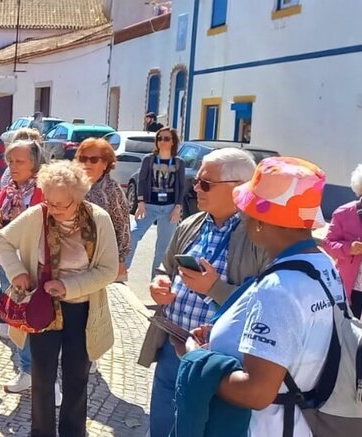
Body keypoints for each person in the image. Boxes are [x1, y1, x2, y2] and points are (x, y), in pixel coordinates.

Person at [180, 157, 342, 437]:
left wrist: (196, 359)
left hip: (263, 427)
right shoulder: (323, 265)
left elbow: (255, 392)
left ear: (259, 222)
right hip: (301, 422)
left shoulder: (279, 287)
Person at [139, 148, 265, 436]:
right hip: (173, 345)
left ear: (238, 187)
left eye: (206, 183)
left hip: (218, 360)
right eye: (196, 181)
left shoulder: (260, 236)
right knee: (161, 426)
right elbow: (165, 267)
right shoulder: (191, 224)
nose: (195, 188)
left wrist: (215, 289)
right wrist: (159, 284)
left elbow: (266, 304)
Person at [0, 160, 118, 437]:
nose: (53, 210)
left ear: (78, 198)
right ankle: (41, 432)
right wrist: (17, 273)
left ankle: (73, 432)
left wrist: (67, 286)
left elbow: (108, 270)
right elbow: (4, 240)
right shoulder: (37, 215)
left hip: (82, 309)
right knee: (42, 377)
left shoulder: (98, 219)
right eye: (49, 202)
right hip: (43, 308)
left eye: (61, 205)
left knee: (77, 377)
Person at [0, 139, 44, 395]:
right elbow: (0, 224)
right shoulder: (8, 191)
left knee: (40, 320)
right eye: (10, 161)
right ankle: (27, 370)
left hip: (37, 263)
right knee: (19, 319)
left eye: (19, 161)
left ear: (35, 163)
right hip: (10, 263)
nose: (13, 166)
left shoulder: (45, 190)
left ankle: (45, 376)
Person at [128, 126, 187, 272]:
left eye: (166, 139)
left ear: (173, 142)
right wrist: (141, 202)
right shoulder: (149, 159)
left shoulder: (178, 162)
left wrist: (177, 207)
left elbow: (181, 186)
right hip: (149, 206)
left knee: (163, 247)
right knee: (133, 235)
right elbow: (142, 181)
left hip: (169, 208)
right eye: (159, 138)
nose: (162, 141)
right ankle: (123, 268)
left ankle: (156, 279)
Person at [76, 138, 132, 280]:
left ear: (105, 164)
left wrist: (120, 259)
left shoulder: (112, 190)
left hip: (102, 259)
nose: (87, 163)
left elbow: (122, 226)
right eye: (83, 159)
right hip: (73, 257)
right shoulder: (71, 185)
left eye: (94, 159)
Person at [321, 162, 362, 318]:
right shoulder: (343, 213)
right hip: (352, 286)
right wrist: (349, 248)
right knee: (350, 325)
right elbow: (327, 243)